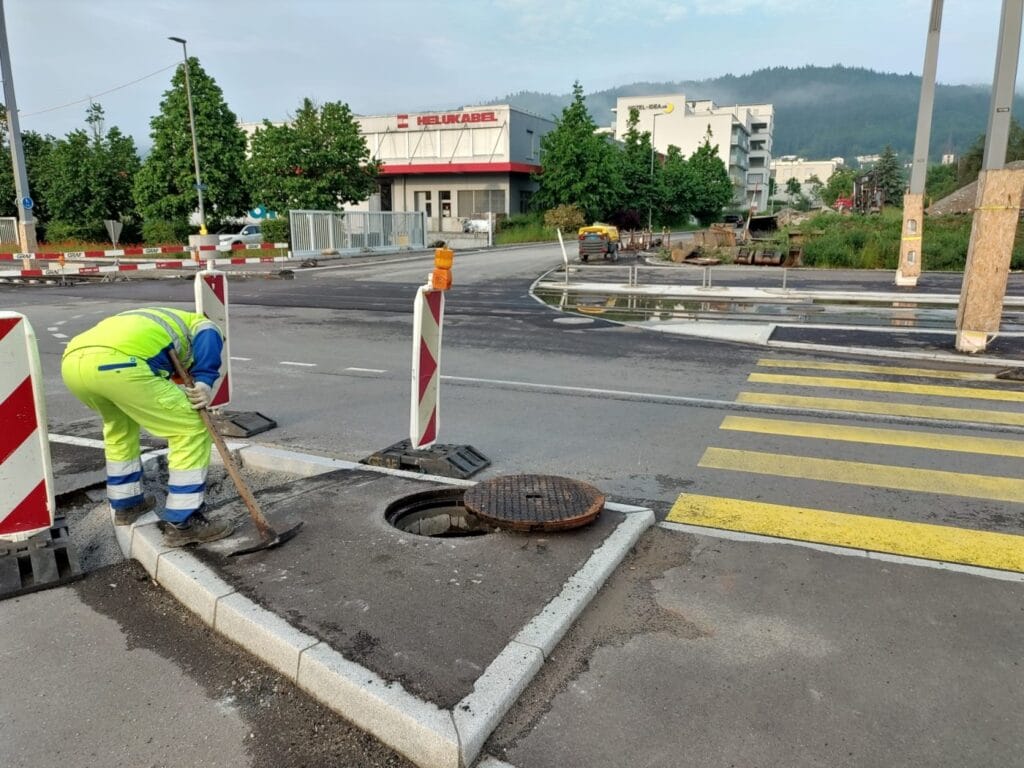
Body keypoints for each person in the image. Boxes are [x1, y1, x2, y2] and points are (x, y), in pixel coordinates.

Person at [61, 307, 234, 546]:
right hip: (121, 364)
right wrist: (204, 381)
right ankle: (184, 522)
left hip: (73, 365)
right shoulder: (201, 325)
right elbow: (209, 336)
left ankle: (127, 504)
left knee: (119, 429)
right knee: (189, 426)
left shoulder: (148, 321)